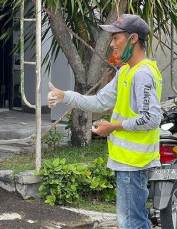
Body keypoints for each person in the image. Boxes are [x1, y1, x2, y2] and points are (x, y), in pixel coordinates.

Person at [48, 14, 162, 229]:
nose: (112, 44)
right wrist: (66, 96)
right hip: (127, 163)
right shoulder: (126, 71)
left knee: (131, 224)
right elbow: (100, 101)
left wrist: (113, 127)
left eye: (116, 38)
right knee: (131, 222)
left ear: (133, 38)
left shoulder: (143, 74)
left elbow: (151, 119)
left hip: (134, 164)